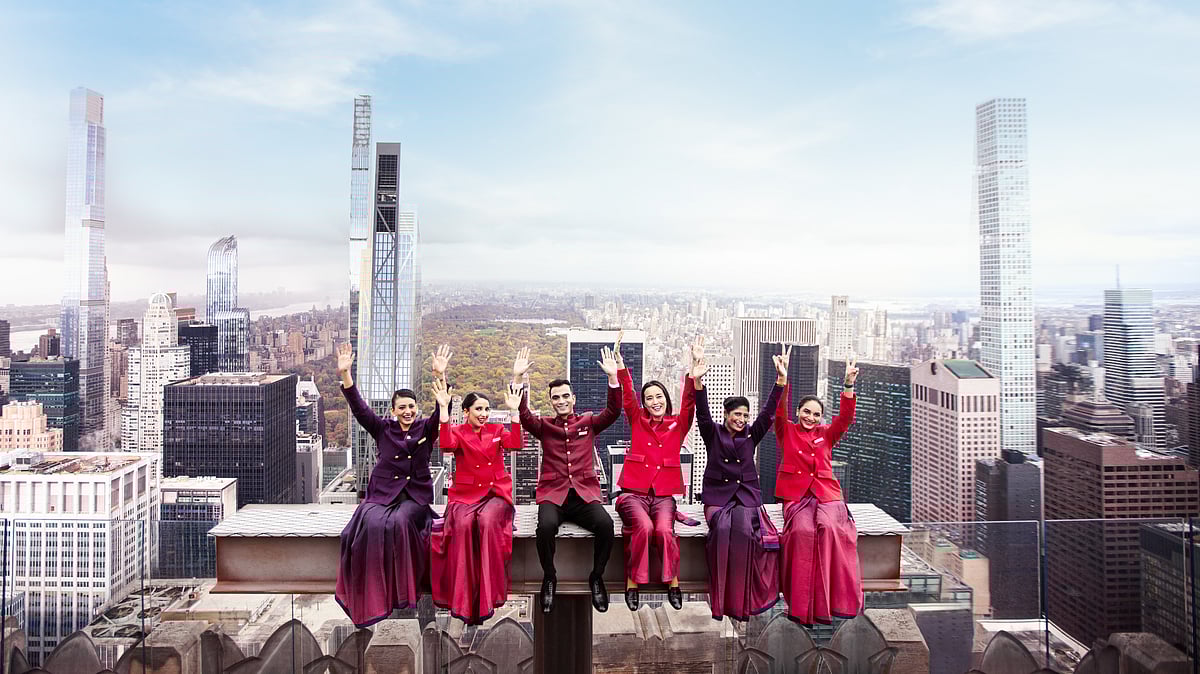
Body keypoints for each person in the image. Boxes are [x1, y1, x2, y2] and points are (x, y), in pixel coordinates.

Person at [334, 342, 450, 627]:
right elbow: (359, 409)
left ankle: (402, 590)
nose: (408, 411)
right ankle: (376, 587)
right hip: (383, 494)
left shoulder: (426, 428)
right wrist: (346, 375)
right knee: (369, 525)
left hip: (413, 498)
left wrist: (439, 375)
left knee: (399, 522)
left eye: (411, 406)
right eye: (402, 407)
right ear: (393, 410)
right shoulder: (382, 427)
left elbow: (441, 412)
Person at [512, 345, 621, 613]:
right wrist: (518, 379)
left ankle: (597, 577)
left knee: (606, 525)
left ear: (573, 398)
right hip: (554, 494)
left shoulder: (587, 422)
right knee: (545, 528)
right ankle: (549, 577)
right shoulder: (544, 427)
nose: (560, 401)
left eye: (564, 396)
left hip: (584, 495)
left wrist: (612, 378)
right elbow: (524, 415)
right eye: (555, 398)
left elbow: (613, 412)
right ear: (551, 401)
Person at [694, 340, 785, 622]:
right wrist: (698, 380)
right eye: (737, 415)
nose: (742, 420)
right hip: (718, 497)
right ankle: (721, 597)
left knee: (747, 534)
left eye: (746, 415)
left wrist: (780, 381)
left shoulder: (752, 434)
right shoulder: (713, 433)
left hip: (745, 496)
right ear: (727, 415)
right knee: (720, 530)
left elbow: (769, 413)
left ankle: (743, 598)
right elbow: (702, 412)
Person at [774, 352, 862, 624]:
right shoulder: (785, 430)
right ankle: (799, 605)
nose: (810, 417)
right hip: (797, 496)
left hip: (826, 494)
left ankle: (831, 600)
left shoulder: (827, 433)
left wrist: (848, 386)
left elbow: (845, 419)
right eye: (806, 412)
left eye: (816, 414)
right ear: (798, 412)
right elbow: (778, 409)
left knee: (829, 529)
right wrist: (783, 378)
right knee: (801, 532)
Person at [613, 333, 699, 611]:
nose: (654, 401)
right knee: (644, 527)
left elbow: (689, 404)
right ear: (645, 403)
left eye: (658, 396)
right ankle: (633, 582)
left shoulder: (678, 424)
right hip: (633, 494)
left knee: (663, 529)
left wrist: (692, 373)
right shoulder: (637, 420)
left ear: (665, 399)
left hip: (663, 496)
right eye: (649, 398)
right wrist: (621, 367)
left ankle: (672, 580)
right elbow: (627, 398)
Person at [430, 378, 526, 625]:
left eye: (486, 409)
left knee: (486, 522)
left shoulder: (496, 431)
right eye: (478, 409)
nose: (484, 414)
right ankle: (463, 599)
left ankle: (489, 593)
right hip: (465, 495)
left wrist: (515, 412)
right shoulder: (458, 432)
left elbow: (516, 444)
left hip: (495, 494)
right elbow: (446, 445)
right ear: (466, 412)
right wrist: (443, 410)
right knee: (460, 528)